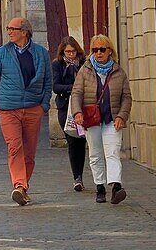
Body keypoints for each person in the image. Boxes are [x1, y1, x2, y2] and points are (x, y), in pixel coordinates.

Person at [0, 17, 52, 206]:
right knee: (15, 147)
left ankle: (23, 188)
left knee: (29, 152)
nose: (9, 32)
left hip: (33, 108)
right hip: (8, 109)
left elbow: (48, 81)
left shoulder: (40, 53)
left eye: (12, 29)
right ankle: (19, 184)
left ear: (25, 32)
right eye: (8, 28)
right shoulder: (2, 53)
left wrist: (44, 105)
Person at [71, 34, 132, 204]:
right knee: (96, 154)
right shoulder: (85, 70)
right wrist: (77, 112)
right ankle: (100, 187)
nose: (98, 53)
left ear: (110, 51)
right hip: (92, 120)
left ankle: (116, 186)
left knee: (112, 152)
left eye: (102, 49)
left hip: (112, 119)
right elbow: (76, 93)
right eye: (95, 49)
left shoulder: (119, 72)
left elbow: (127, 97)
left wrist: (122, 116)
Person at [52, 35, 87, 190]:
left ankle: (81, 174)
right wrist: (72, 88)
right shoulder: (58, 64)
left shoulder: (84, 63)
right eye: (68, 52)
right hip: (65, 107)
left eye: (73, 51)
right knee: (72, 141)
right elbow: (56, 86)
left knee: (83, 140)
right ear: (63, 52)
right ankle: (77, 177)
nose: (71, 55)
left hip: (83, 106)